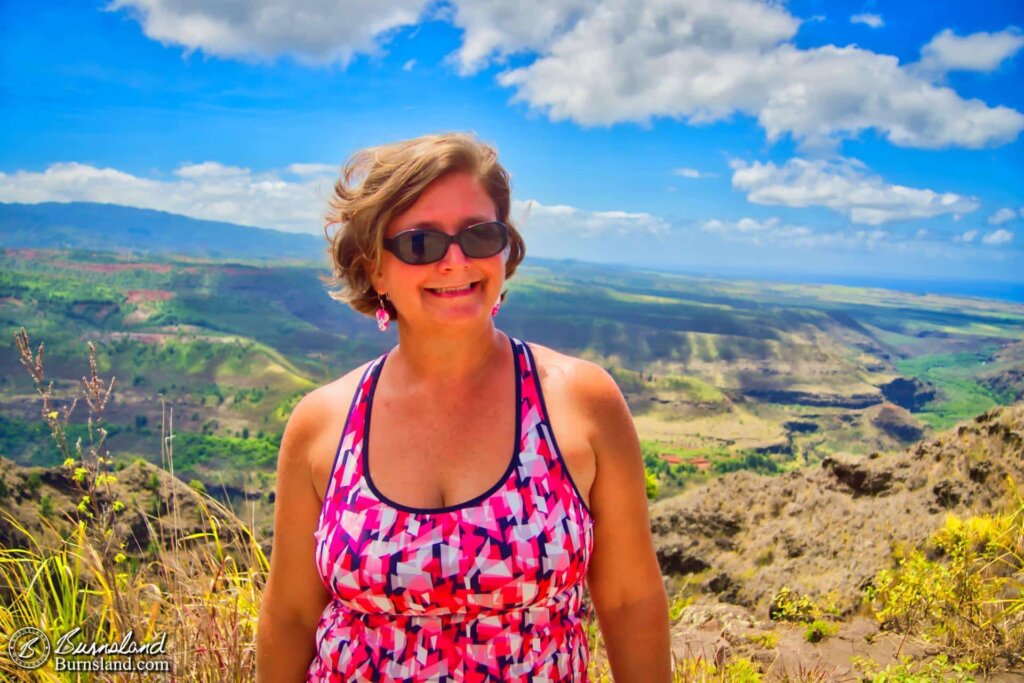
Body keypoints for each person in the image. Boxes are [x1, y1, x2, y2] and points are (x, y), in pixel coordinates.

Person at [256, 132, 670, 682]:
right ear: (375, 268)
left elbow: (629, 600)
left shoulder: (581, 402)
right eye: (421, 243)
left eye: (480, 236)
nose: (456, 261)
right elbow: (289, 615)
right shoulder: (323, 423)